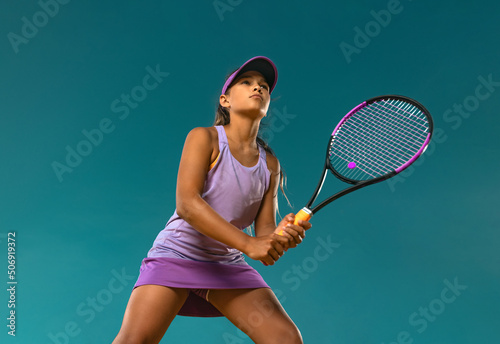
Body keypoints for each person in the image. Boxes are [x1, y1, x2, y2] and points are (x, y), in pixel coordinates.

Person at [112, 56, 312, 344]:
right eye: (246, 82)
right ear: (225, 100)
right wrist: (249, 245)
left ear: (267, 106)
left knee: (285, 339)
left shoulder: (270, 165)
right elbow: (188, 205)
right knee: (135, 341)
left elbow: (264, 233)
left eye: (264, 86)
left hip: (225, 263)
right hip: (178, 253)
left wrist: (282, 236)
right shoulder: (203, 138)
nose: (258, 88)